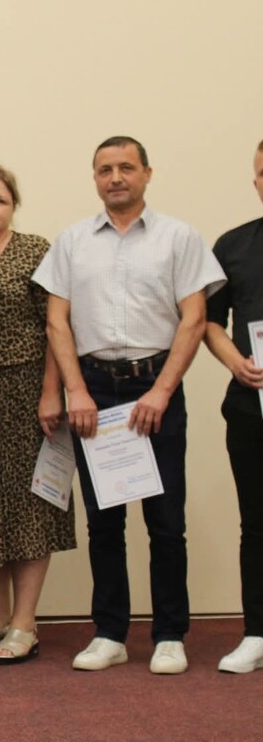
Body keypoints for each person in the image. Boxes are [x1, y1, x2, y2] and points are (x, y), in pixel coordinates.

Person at [33, 136, 224, 675]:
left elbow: (194, 319)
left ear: (146, 173)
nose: (115, 177)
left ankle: (170, 634)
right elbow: (57, 322)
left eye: (125, 167)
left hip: (155, 384)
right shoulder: (72, 241)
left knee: (165, 522)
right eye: (104, 169)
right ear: (94, 178)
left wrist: (161, 391)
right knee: (103, 522)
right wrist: (75, 390)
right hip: (94, 390)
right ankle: (110, 633)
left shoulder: (179, 237)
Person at [0, 164, 74, 663]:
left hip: (27, 389)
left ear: (13, 208)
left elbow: (57, 325)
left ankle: (25, 622)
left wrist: (52, 392)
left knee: (28, 507)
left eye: (0, 200)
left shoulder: (34, 250)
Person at [202, 138, 263, 674]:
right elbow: (209, 323)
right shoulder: (234, 244)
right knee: (257, 523)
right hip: (250, 407)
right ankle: (257, 633)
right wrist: (236, 363)